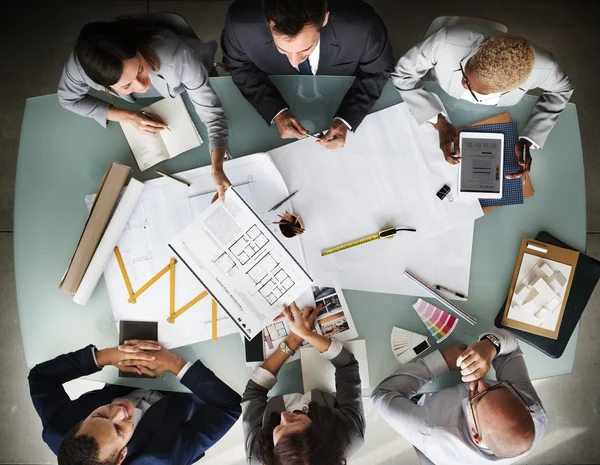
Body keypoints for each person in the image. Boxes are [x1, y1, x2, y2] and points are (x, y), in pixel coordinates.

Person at [58, 18, 232, 200]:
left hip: (188, 82)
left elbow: (212, 115)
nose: (142, 86)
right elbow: (68, 99)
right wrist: (127, 116)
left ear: (138, 50)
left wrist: (217, 166)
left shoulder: (177, 57)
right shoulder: (80, 68)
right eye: (126, 86)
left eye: (140, 68)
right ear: (106, 87)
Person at [393, 24, 573, 178]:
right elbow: (402, 74)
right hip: (438, 88)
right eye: (465, 74)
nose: (463, 84)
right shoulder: (444, 42)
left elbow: (562, 90)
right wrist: (438, 122)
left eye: (472, 87)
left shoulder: (546, 68)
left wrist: (529, 138)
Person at [28, 339, 241, 465]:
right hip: (186, 390)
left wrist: (105, 357)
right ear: (122, 457)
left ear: (78, 424)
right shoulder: (163, 457)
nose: (120, 411)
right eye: (119, 430)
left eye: (100, 415)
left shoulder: (57, 428)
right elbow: (229, 407)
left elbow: (40, 377)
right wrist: (175, 365)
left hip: (132, 373)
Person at [221, 0, 393, 149]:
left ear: (324, 18)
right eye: (283, 49)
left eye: (305, 50)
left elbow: (377, 71)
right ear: (268, 23)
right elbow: (239, 66)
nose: (294, 62)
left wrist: (346, 120)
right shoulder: (239, 25)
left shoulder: (363, 27)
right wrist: (276, 112)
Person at [372, 328, 547, 464]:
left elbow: (382, 395)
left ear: (475, 434)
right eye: (500, 387)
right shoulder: (535, 413)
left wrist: (443, 361)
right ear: (527, 410)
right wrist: (491, 345)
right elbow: (512, 350)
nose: (481, 382)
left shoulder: (431, 430)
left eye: (478, 397)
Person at [242, 303, 365, 464]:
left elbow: (254, 391)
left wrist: (293, 340)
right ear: (321, 431)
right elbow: (347, 366)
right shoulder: (350, 433)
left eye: (278, 428)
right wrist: (305, 333)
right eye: (296, 420)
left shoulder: (256, 455)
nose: (284, 416)